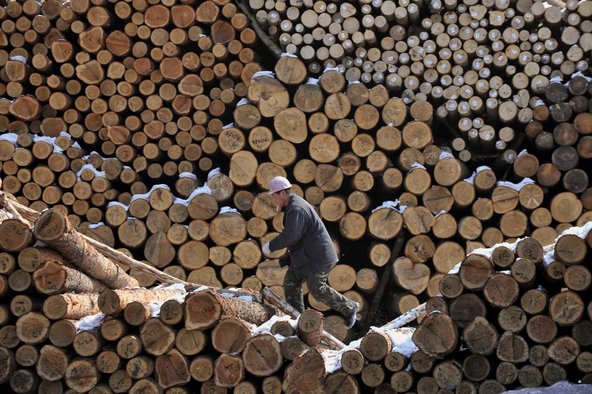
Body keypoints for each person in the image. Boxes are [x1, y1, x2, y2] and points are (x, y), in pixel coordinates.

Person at [262, 176, 359, 328]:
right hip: (307, 256)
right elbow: (299, 237)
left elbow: (291, 236)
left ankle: (349, 307)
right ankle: (297, 319)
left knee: (317, 289)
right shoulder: (293, 206)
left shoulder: (296, 209)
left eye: (274, 195)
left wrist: (271, 246)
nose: (273, 199)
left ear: (283, 193)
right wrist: (288, 257)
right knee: (291, 282)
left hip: (318, 257)